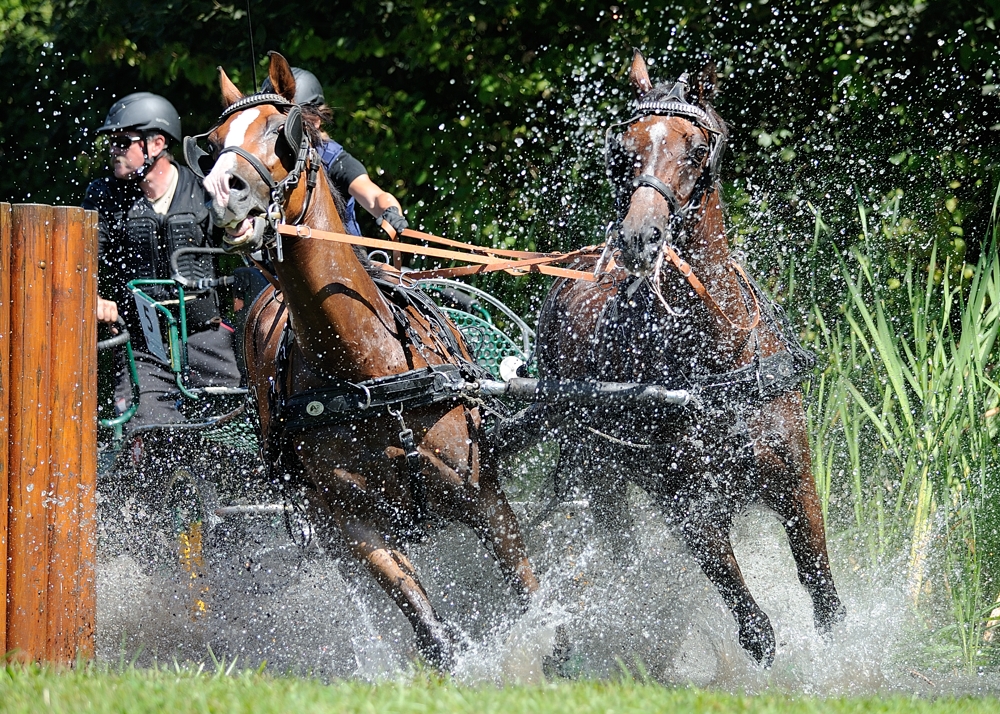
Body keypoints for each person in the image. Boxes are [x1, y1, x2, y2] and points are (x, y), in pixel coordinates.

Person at [83, 92, 242, 433]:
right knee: (145, 433)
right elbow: (83, 260)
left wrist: (238, 216)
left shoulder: (204, 187)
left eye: (123, 142)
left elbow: (244, 246)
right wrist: (92, 297)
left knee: (240, 425)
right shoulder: (104, 196)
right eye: (113, 143)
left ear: (156, 144)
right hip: (143, 348)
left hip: (208, 339)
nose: (115, 150)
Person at [261, 67, 410, 240]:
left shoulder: (335, 160)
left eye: (289, 123)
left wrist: (389, 210)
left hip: (343, 260)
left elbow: (375, 197)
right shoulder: (268, 160)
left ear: (316, 121)